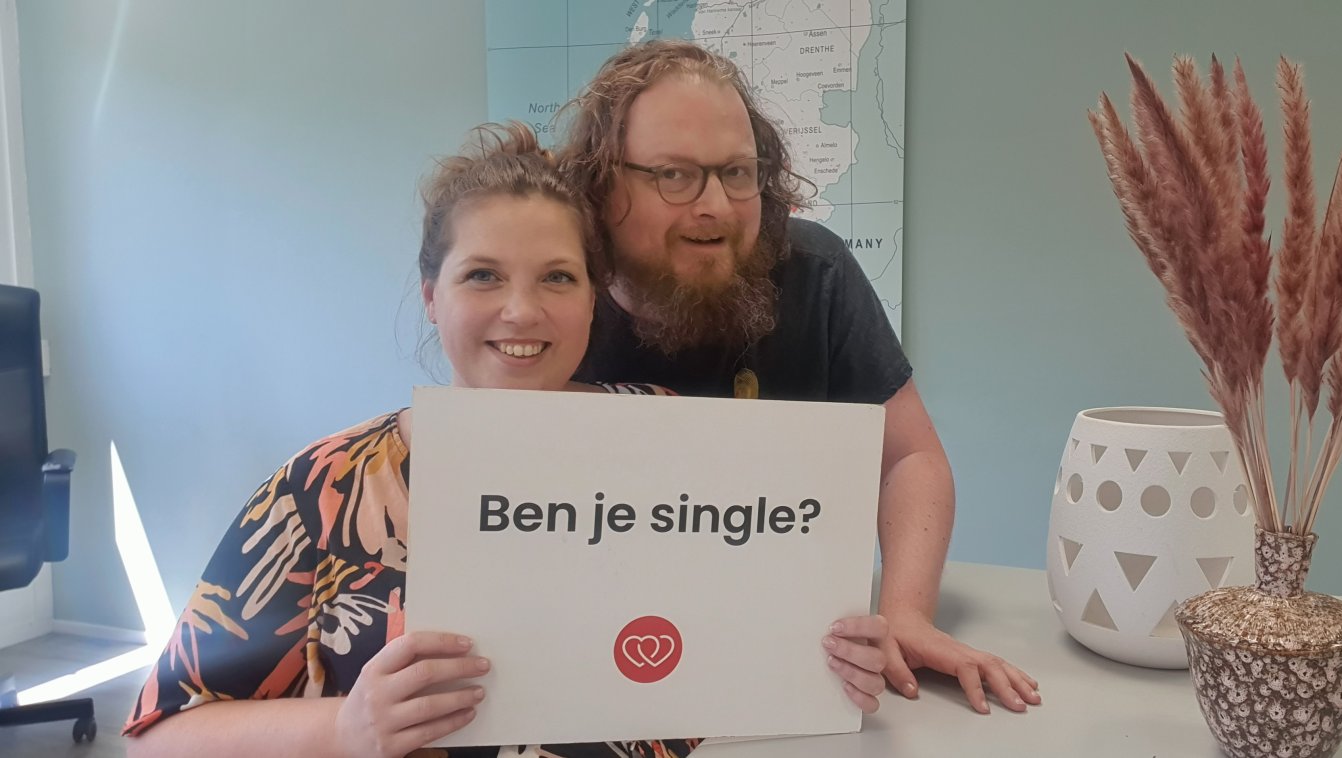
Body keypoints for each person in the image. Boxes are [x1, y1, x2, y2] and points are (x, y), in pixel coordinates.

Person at [123, 123, 890, 758]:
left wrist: (831, 658)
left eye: (557, 277)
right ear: (433, 296)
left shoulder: (677, 440)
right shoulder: (324, 487)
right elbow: (160, 735)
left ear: (593, 300)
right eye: (483, 276)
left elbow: (745, 642)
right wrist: (344, 730)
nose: (521, 311)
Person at [561, 41, 1040, 715]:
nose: (716, 206)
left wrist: (905, 612)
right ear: (602, 184)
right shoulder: (552, 292)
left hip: (790, 667)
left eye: (737, 171)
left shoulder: (816, 272)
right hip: (594, 668)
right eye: (674, 175)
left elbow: (909, 458)